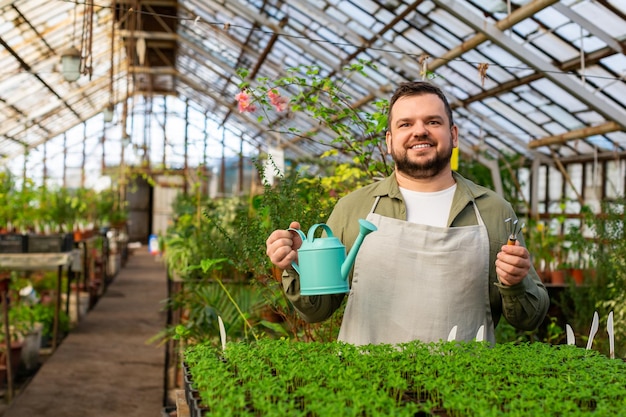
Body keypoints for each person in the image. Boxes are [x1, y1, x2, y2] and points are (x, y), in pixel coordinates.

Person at [266, 81, 550, 346]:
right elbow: (317, 310)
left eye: (433, 122)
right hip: (365, 386)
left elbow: (530, 318)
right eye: (406, 124)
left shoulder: (492, 210)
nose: (420, 131)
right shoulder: (353, 209)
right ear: (390, 141)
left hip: (463, 389)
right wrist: (297, 264)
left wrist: (515, 282)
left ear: (453, 135)